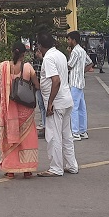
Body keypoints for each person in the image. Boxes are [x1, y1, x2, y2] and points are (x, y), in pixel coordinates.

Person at [35, 31, 78, 177]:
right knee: (66, 135)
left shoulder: (49, 58)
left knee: (54, 136)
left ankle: (56, 168)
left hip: (57, 103)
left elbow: (56, 80)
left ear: (40, 45)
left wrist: (50, 103)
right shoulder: (59, 55)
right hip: (66, 99)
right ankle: (71, 165)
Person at [0, 42, 39, 179]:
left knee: (11, 138)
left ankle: (10, 170)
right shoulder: (27, 67)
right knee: (28, 139)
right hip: (26, 110)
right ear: (23, 54)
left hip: (10, 111)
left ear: (12, 51)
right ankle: (27, 169)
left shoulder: (2, 67)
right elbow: (37, 85)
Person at [66, 30, 93, 140]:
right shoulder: (82, 50)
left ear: (73, 40)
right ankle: (83, 131)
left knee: (74, 108)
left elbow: (69, 65)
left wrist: (69, 54)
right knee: (82, 108)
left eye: (69, 39)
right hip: (80, 82)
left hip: (74, 82)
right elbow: (90, 63)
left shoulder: (75, 51)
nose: (68, 41)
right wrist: (82, 72)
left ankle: (75, 132)